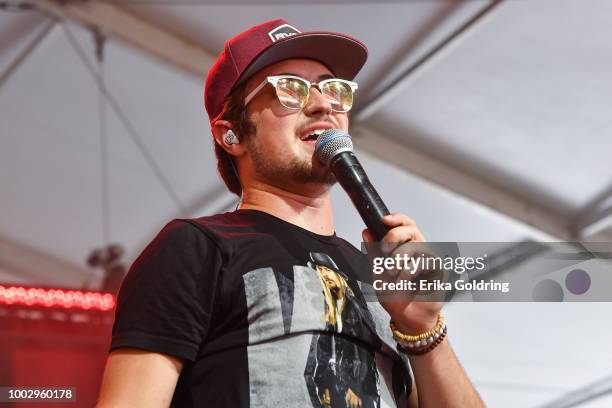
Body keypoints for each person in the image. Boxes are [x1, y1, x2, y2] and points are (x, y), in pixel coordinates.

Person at [96, 19, 484, 408]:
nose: (322, 104)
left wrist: (425, 330)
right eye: (290, 89)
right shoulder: (195, 248)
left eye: (333, 89)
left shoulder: (378, 275)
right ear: (231, 134)